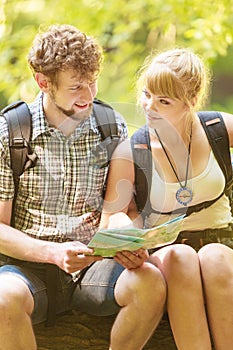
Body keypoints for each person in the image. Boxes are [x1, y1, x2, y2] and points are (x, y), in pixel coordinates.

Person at [0, 24, 167, 350]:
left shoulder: (109, 125)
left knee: (151, 283)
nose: (89, 95)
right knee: (3, 299)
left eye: (92, 82)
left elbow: (123, 209)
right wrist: (52, 253)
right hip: (29, 272)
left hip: (95, 268)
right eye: (77, 86)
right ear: (43, 82)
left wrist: (128, 238)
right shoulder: (11, 132)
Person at [99, 48, 233, 350]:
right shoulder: (132, 151)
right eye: (146, 95)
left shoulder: (218, 129)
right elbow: (110, 217)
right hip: (167, 250)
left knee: (214, 257)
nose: (149, 107)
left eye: (163, 101)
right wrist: (125, 231)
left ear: (192, 101)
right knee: (181, 257)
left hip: (222, 246)